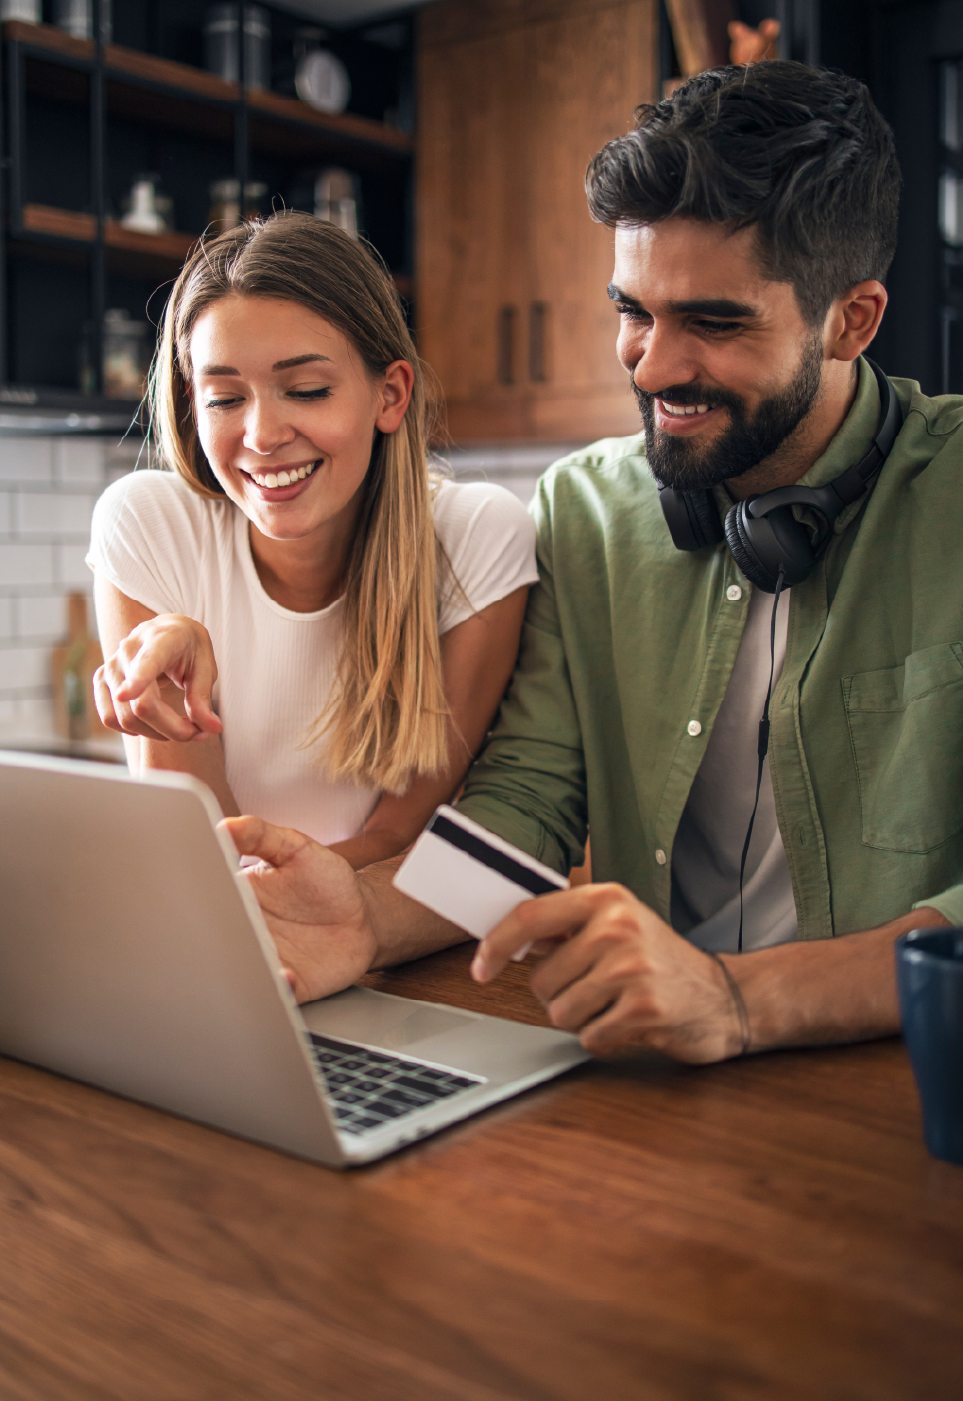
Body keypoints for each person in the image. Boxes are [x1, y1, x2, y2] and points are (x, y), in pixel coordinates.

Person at [225, 61, 960, 1062]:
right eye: (633, 311)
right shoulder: (586, 510)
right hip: (647, 1066)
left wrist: (738, 999)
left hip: (902, 1087)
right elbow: (526, 805)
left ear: (852, 321)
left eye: (713, 321)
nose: (651, 366)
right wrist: (370, 919)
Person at [88, 214, 537, 868]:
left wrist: (304, 922)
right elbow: (202, 855)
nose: (262, 434)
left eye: (306, 390)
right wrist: (182, 679)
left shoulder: (478, 537)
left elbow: (396, 840)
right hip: (220, 939)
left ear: (390, 394)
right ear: (190, 403)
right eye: (223, 398)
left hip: (381, 941)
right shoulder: (148, 525)